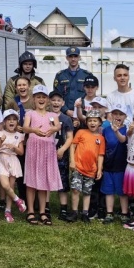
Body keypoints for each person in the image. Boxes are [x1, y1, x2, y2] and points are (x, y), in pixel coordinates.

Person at [22, 85, 62, 225]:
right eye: (38, 97)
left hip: (47, 149)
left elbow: (58, 126)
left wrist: (53, 128)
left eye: (43, 97)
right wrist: (33, 130)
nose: (41, 99)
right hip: (34, 148)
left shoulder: (53, 115)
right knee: (32, 179)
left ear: (48, 100)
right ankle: (31, 211)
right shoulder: (30, 114)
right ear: (34, 99)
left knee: (44, 179)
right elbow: (25, 127)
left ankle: (43, 211)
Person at [68, 109, 105, 222]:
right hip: (78, 167)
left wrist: (99, 169)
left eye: (95, 121)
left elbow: (100, 155)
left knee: (87, 192)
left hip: (91, 170)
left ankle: (85, 213)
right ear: (86, 122)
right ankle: (74, 212)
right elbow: (73, 146)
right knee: (75, 189)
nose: (92, 123)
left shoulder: (101, 138)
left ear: (99, 123)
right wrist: (72, 161)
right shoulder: (81, 132)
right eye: (90, 120)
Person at [0, 110, 27, 222]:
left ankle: (8, 211)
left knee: (11, 187)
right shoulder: (0, 133)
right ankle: (18, 200)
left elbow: (21, 152)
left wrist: (14, 147)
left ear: (17, 122)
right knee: (5, 185)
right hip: (1, 159)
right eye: (8, 119)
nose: (11, 122)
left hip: (13, 160)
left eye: (14, 119)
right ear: (4, 122)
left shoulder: (19, 135)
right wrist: (1, 141)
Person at [100, 103, 129, 223]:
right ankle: (109, 213)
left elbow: (124, 140)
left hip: (122, 165)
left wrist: (117, 131)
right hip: (108, 164)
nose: (118, 116)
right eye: (115, 113)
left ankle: (124, 213)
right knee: (109, 190)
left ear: (125, 116)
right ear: (111, 115)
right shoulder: (106, 130)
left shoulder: (127, 129)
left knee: (122, 192)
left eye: (121, 114)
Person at [50, 91, 75, 222]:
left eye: (58, 100)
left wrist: (63, 149)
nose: (55, 102)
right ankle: (45, 207)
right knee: (46, 181)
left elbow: (70, 137)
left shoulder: (66, 119)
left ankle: (63, 209)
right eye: (53, 100)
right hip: (47, 154)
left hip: (61, 156)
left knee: (63, 182)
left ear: (63, 103)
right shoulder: (46, 117)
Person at [53, 47, 91, 118]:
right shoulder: (60, 75)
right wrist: (66, 110)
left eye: (75, 56)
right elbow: (57, 96)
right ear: (67, 58)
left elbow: (90, 95)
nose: (73, 59)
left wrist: (80, 111)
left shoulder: (87, 75)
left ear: (79, 57)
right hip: (64, 114)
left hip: (83, 114)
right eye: (70, 56)